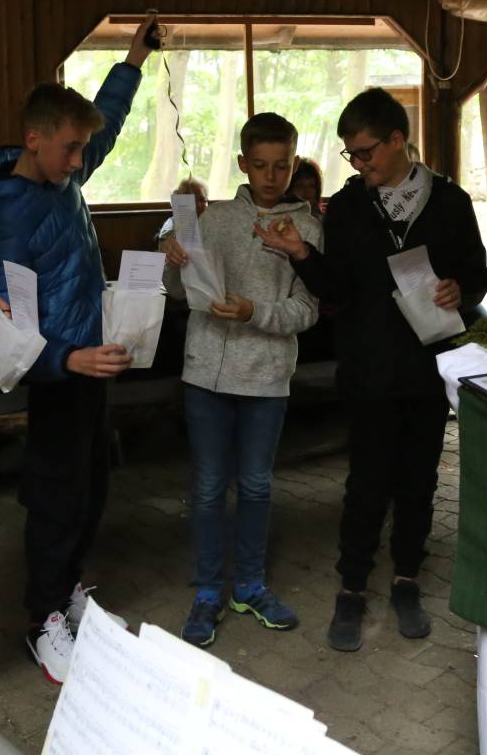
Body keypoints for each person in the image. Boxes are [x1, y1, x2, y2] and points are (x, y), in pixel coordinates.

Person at [255, 88, 487, 653]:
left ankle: (407, 578)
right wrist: (301, 256)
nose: (358, 165)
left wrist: (462, 288)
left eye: (366, 153)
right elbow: (337, 288)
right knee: (365, 483)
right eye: (351, 156)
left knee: (420, 481)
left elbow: (478, 275)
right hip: (366, 370)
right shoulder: (351, 207)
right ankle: (353, 586)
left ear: (397, 140)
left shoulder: (450, 203)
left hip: (427, 369)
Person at [0, 18, 155, 683]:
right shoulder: (4, 216)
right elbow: (5, 337)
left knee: (93, 488)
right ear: (33, 139)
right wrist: (68, 361)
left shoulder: (62, 178)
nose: (80, 163)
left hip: (90, 369)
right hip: (55, 377)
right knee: (53, 498)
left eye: (81, 153)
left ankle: (69, 591)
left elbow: (109, 120)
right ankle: (43, 619)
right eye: (70, 150)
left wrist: (133, 60)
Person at [161, 113, 321, 648]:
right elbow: (183, 293)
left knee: (255, 485)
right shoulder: (215, 218)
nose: (271, 177)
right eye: (260, 166)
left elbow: (307, 310)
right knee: (207, 487)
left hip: (268, 376)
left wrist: (256, 311)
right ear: (242, 165)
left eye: (282, 166)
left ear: (294, 163)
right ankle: (207, 590)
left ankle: (249, 586)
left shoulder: (308, 227)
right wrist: (171, 258)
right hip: (205, 371)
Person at [156, 176, 209, 244]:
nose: (198, 205)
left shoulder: (210, 223)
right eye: (191, 200)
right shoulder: (172, 222)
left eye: (202, 200)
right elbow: (164, 240)